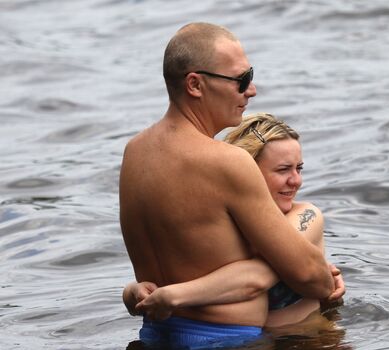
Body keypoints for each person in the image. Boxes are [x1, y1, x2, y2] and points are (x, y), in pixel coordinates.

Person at [119, 22, 339, 350]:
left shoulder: (134, 153)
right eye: (242, 80)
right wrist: (324, 278)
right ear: (195, 84)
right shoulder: (228, 161)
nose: (251, 91)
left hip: (156, 341)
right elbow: (312, 277)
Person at [124, 113, 345, 331]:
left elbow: (256, 277)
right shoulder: (225, 228)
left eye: (299, 168)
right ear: (248, 173)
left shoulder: (307, 215)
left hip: (311, 348)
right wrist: (134, 292)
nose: (296, 181)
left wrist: (175, 295)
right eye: (283, 170)